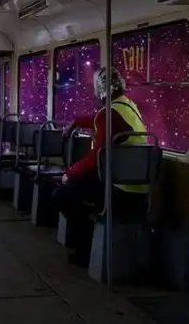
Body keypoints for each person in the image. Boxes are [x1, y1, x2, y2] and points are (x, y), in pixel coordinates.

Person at [53, 66, 149, 266]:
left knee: (64, 193)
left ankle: (84, 251)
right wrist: (76, 122)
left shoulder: (110, 114)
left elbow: (96, 157)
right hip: (140, 191)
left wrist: (69, 173)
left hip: (120, 192)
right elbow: (100, 121)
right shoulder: (128, 106)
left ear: (101, 89)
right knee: (80, 188)